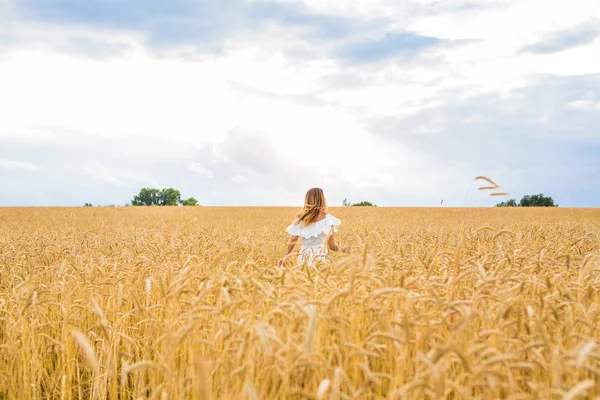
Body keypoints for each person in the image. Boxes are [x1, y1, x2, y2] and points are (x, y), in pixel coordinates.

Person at [278, 188, 351, 266]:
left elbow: (293, 238)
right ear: (322, 200)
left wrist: (287, 255)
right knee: (320, 276)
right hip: (320, 256)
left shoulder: (301, 218)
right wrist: (343, 249)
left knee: (304, 276)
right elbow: (332, 246)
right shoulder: (328, 219)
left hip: (304, 255)